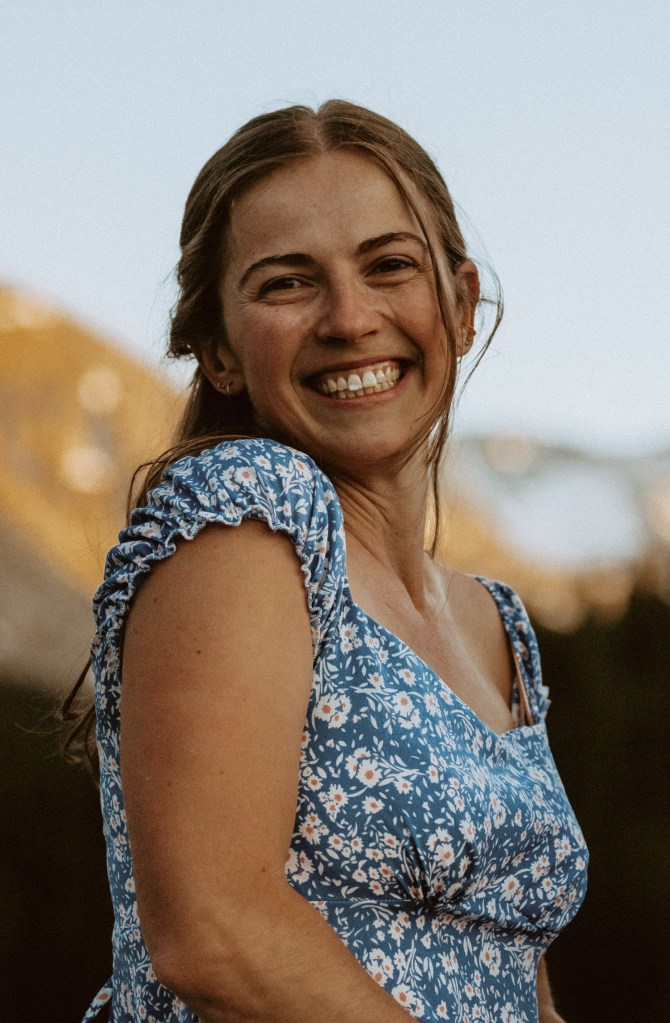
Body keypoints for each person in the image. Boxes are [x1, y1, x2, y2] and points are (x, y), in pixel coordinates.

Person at [73, 100, 588, 1022]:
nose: (350, 318)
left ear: (461, 306)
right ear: (218, 351)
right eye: (288, 283)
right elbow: (213, 930)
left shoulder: (495, 619)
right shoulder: (247, 513)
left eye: (389, 265)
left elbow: (516, 971)